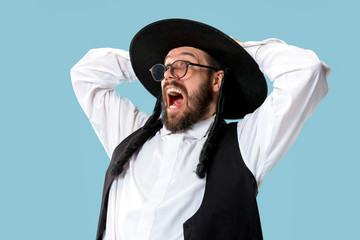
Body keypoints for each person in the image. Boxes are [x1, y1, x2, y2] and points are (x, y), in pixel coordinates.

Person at [71, 19, 330, 240]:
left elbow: (306, 71)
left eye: (184, 66)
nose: (170, 76)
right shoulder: (130, 134)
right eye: (165, 68)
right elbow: (86, 74)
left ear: (217, 79)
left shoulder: (246, 145)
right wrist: (144, 61)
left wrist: (238, 52)